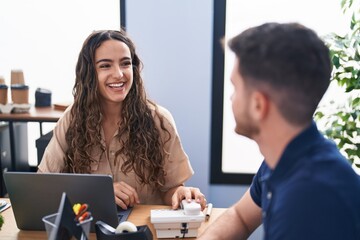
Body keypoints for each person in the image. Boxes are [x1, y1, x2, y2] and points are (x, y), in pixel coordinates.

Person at [198, 22, 360, 239]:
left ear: (258, 105)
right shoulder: (283, 158)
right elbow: (240, 217)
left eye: (235, 88)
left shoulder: (311, 198)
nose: (231, 98)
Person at [37, 29, 206, 211]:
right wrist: (98, 192)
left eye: (125, 64)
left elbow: (170, 189)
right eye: (105, 65)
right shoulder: (72, 119)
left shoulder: (159, 119)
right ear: (90, 73)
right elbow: (43, 185)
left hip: (142, 231)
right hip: (89, 228)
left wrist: (180, 194)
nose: (118, 74)